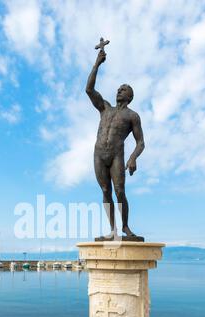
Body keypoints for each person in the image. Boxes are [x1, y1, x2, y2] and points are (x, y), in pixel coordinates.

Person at [86, 49, 145, 240]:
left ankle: (126, 227)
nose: (119, 90)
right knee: (105, 191)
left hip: (117, 155)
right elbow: (89, 89)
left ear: (129, 96)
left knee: (120, 192)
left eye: (123, 89)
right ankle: (113, 231)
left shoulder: (132, 116)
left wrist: (133, 157)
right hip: (99, 154)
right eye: (119, 88)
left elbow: (141, 142)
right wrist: (97, 64)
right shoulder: (105, 108)